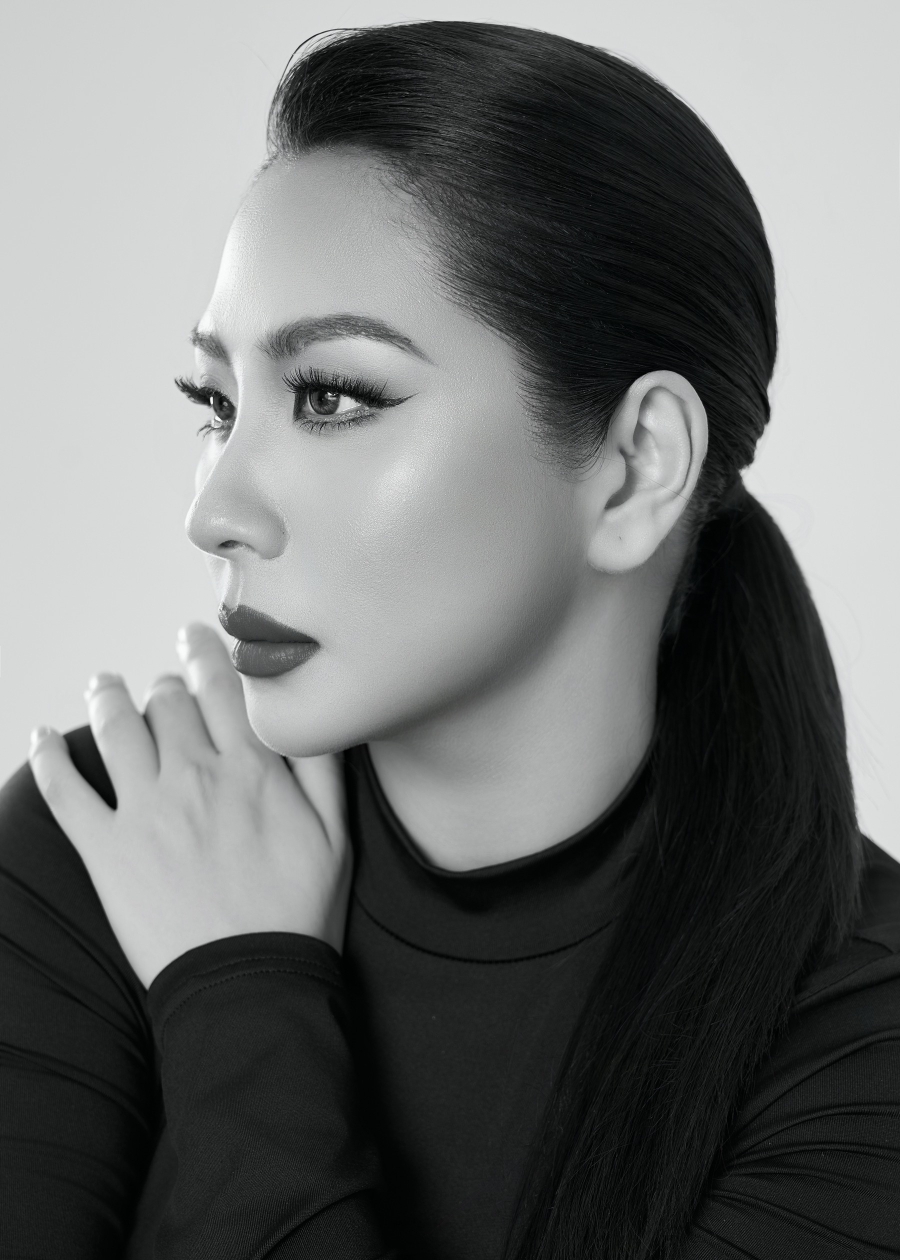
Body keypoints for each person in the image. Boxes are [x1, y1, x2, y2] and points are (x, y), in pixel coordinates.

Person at [1, 18, 898, 1260]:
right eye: (218, 401)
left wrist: (239, 992)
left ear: (638, 465)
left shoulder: (861, 1036)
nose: (212, 512)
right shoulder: (119, 837)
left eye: (332, 396)